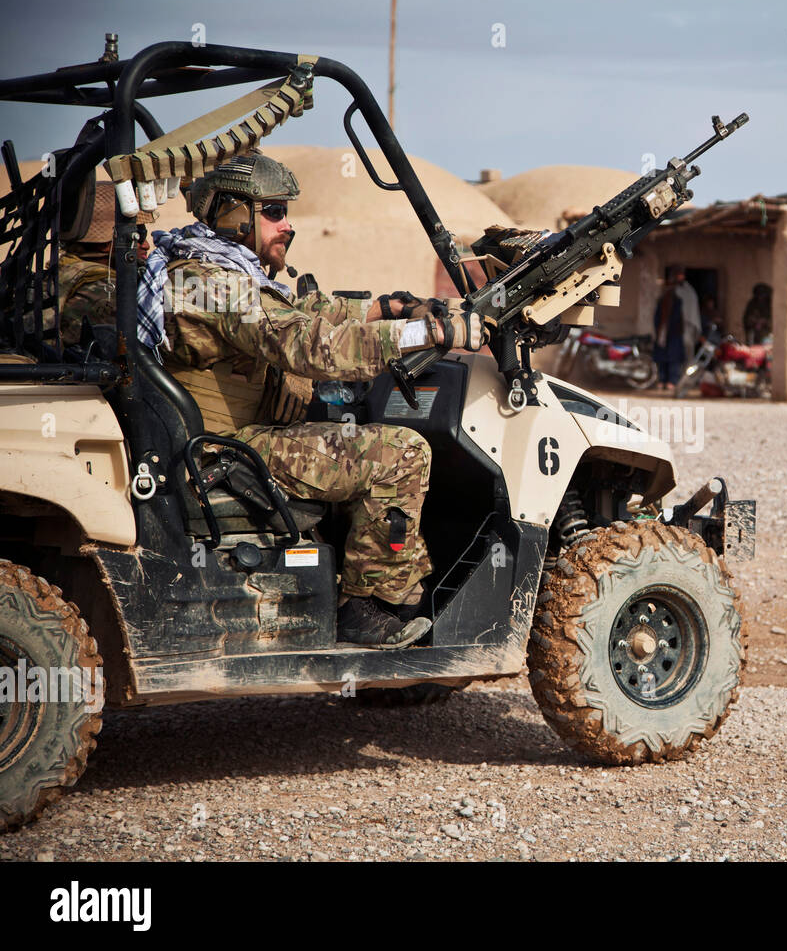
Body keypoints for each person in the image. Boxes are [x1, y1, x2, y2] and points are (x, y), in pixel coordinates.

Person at [140, 152, 485, 649]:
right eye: (275, 211)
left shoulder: (219, 269)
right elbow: (306, 343)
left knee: (348, 426)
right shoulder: (209, 285)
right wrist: (421, 332)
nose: (287, 226)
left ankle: (374, 584)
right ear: (237, 214)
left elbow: (304, 308)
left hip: (228, 443)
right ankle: (362, 609)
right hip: (222, 453)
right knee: (401, 453)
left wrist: (390, 307)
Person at [52, 182, 156, 347]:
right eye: (138, 235)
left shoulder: (62, 271)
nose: (146, 245)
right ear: (105, 243)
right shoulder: (106, 290)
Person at [653, 272, 686, 391]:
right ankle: (663, 381)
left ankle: (670, 381)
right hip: (664, 333)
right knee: (664, 359)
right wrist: (660, 330)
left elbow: (678, 319)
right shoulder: (662, 302)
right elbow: (657, 318)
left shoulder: (677, 302)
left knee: (673, 359)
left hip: (672, 334)